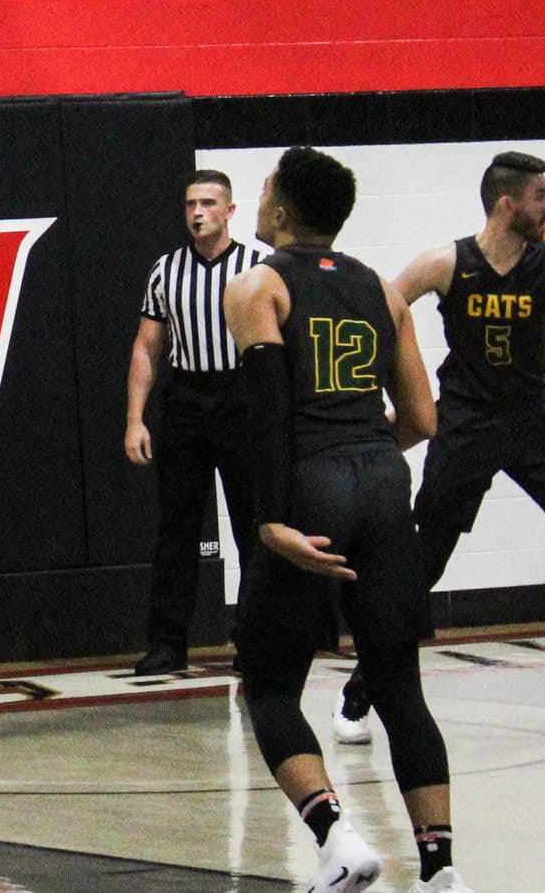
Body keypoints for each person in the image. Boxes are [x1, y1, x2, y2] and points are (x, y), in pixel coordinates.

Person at [223, 146, 465, 893]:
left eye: (264, 191)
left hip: (310, 489)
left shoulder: (256, 284)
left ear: (282, 211)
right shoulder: (383, 291)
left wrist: (269, 521)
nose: (259, 201)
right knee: (401, 689)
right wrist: (363, 449)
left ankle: (336, 835)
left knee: (266, 685)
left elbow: (266, 419)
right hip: (387, 485)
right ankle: (440, 867)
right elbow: (423, 417)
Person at [334, 150, 545, 744]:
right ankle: (360, 692)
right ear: (507, 204)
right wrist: (376, 391)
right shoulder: (447, 263)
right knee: (424, 559)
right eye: (541, 197)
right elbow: (380, 309)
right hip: (464, 425)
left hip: (532, 423)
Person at [124, 171, 264, 675]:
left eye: (207, 203)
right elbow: (147, 346)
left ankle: (255, 639)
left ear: (230, 210)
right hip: (185, 397)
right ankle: (167, 644)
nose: (197, 212)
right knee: (177, 527)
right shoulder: (166, 270)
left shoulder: (258, 267)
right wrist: (135, 419)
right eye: (189, 204)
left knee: (254, 524)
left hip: (242, 397)